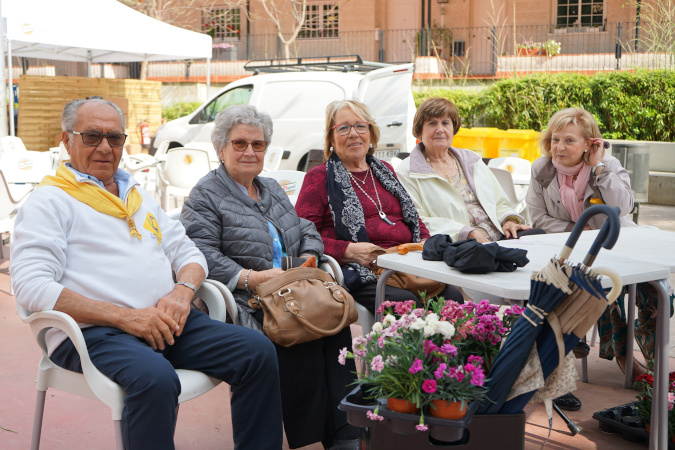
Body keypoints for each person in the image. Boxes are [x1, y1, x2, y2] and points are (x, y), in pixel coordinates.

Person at [10, 98, 283, 450]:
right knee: (155, 378)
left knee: (257, 351)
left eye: (115, 138)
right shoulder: (49, 201)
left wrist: (182, 292)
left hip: (163, 320)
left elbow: (190, 253)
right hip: (93, 333)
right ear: (67, 140)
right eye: (92, 136)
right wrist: (126, 317)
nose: (106, 147)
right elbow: (31, 286)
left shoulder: (136, 193)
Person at [180, 104, 360, 450]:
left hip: (293, 287)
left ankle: (345, 433)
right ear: (221, 148)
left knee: (335, 328)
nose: (250, 151)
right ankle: (309, 439)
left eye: (258, 145)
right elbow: (198, 252)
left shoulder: (271, 188)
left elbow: (304, 225)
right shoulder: (205, 195)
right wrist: (250, 277)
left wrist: (309, 256)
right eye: (240, 144)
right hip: (250, 300)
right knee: (298, 335)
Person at [527, 107, 675, 385]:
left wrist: (599, 168)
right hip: (570, 252)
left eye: (569, 140)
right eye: (555, 139)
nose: (559, 147)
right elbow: (538, 217)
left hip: (616, 244)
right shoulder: (541, 169)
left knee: (657, 290)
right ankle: (623, 358)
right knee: (602, 291)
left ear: (589, 143)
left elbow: (623, 207)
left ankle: (652, 353)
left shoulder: (608, 166)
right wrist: (578, 232)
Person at [295, 99, 462, 313]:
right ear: (331, 139)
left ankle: (447, 348)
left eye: (360, 126)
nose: (353, 133)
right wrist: (348, 250)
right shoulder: (318, 178)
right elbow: (302, 235)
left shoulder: (384, 171)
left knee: (453, 297)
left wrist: (424, 243)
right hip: (361, 270)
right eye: (343, 128)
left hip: (406, 264)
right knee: (406, 304)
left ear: (371, 134)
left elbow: (414, 220)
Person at [396, 97, 543, 243]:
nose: (440, 129)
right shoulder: (408, 171)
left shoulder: (471, 160)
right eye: (432, 123)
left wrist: (509, 221)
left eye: (445, 123)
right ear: (419, 131)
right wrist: (465, 232)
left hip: (499, 235)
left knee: (537, 237)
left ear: (453, 129)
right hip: (459, 243)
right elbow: (418, 220)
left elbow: (499, 203)